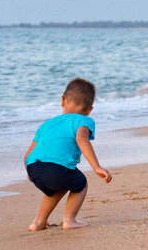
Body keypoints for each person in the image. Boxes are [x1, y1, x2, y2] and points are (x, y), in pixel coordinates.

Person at [23, 78, 112, 231]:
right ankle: (69, 220)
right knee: (81, 183)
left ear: (62, 100)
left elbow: (28, 153)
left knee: (58, 186)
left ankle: (38, 222)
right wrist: (96, 167)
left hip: (33, 167)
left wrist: (30, 173)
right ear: (90, 109)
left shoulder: (47, 124)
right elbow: (81, 138)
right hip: (57, 168)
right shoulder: (84, 120)